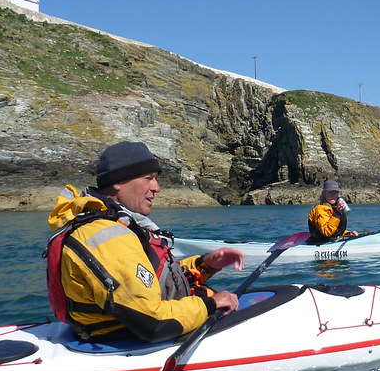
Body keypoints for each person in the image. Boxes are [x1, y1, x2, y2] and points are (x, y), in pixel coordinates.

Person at [45, 141, 244, 343]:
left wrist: (204, 265)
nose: (156, 188)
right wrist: (211, 304)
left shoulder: (118, 225)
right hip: (125, 337)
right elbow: (153, 324)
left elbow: (149, 279)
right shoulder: (108, 237)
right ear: (118, 181)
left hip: (136, 326)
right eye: (148, 179)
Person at [307, 178, 360, 243]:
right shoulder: (320, 209)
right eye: (330, 192)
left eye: (335, 192)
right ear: (324, 193)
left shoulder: (334, 208)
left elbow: (335, 229)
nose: (333, 195)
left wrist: (348, 233)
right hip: (321, 242)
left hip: (332, 240)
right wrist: (337, 214)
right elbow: (326, 231)